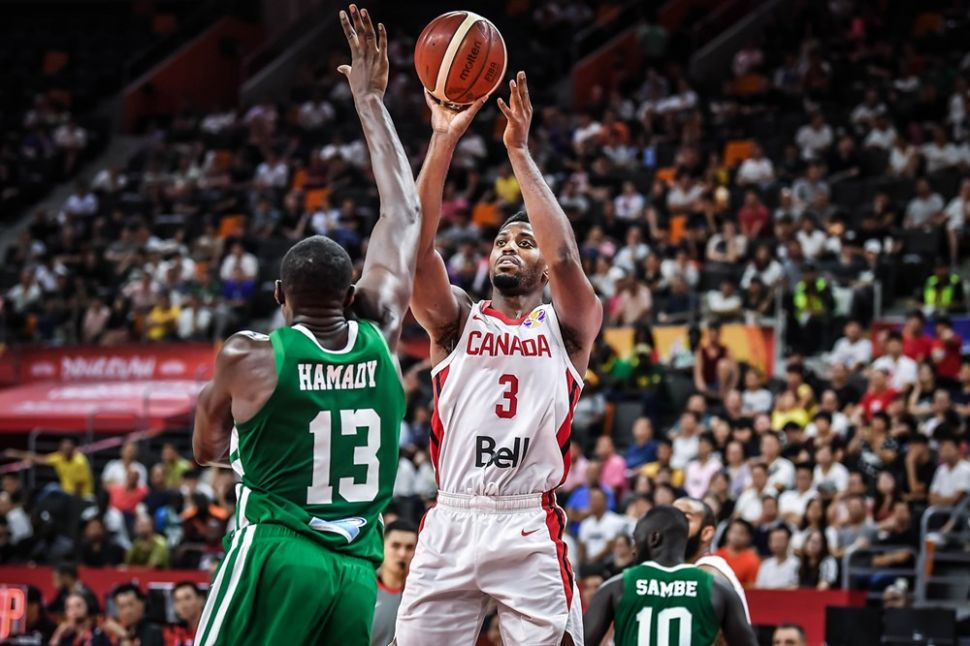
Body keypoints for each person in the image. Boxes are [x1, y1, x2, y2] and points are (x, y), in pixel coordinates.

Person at [191, 8, 419, 644]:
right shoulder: (382, 332)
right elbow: (404, 214)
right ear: (351, 294)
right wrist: (370, 102)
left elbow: (207, 449)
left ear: (278, 295)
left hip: (278, 550)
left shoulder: (250, 355)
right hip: (356, 570)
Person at [395, 67, 601, 645]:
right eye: (501, 241)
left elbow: (565, 258)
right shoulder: (458, 320)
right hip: (452, 516)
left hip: (527, 520)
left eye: (524, 242)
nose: (509, 247)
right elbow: (417, 252)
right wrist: (443, 138)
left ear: (541, 267)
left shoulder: (568, 328)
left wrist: (519, 152)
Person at [583, 505, 756, 646]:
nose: (634, 551)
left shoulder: (617, 586)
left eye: (636, 540)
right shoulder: (717, 588)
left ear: (654, 538)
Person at [673, 497, 751, 622]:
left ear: (706, 533)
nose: (672, 526)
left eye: (685, 519)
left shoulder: (708, 571)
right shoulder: (675, 571)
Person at [370, 520, 417, 646]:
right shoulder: (365, 590)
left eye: (410, 547)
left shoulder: (421, 595)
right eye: (396, 546)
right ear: (381, 546)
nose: (402, 554)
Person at [4, 436, 93, 498]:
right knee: (50, 489)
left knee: (52, 489)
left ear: (73, 449)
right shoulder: (60, 457)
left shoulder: (79, 461)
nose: (65, 451)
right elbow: (39, 458)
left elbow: (79, 485)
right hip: (65, 492)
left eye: (67, 449)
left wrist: (71, 502)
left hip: (81, 495)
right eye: (63, 449)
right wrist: (16, 454)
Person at [578, 487, 628, 565]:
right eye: (592, 499)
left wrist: (592, 560)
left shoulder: (613, 520)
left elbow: (610, 547)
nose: (593, 502)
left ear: (605, 502)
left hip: (607, 562)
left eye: (597, 499)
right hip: (589, 562)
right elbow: (582, 547)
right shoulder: (585, 523)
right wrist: (582, 562)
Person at [714, 519, 762, 587]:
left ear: (749, 537)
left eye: (741, 533)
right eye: (733, 531)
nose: (736, 536)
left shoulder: (753, 560)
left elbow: (753, 586)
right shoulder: (716, 556)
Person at [929, 433, 970, 508]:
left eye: (948, 449)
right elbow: (932, 498)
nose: (945, 453)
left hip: (960, 510)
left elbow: (957, 499)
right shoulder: (940, 470)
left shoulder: (966, 469)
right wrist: (946, 500)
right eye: (942, 450)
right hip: (939, 510)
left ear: (958, 450)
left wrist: (939, 500)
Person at [167, 581, 206, 646]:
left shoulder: (211, 630)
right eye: (177, 600)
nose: (183, 605)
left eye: (187, 598)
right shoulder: (172, 633)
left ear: (201, 600)